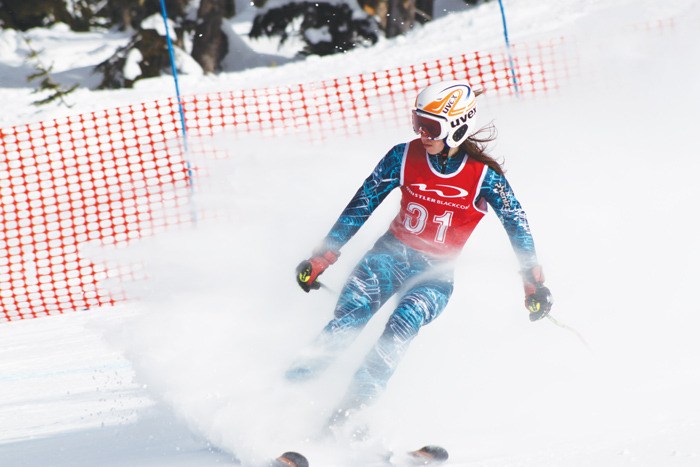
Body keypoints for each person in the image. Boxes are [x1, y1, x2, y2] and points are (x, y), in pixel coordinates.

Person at [289, 79, 553, 433]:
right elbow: (361, 205)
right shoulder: (403, 156)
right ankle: (285, 397)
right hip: (386, 259)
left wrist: (532, 283)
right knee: (347, 323)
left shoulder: (483, 178)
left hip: (434, 275)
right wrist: (323, 255)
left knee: (401, 326)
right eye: (417, 123)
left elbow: (516, 224)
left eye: (430, 127)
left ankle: (350, 414)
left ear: (457, 128)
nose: (421, 133)